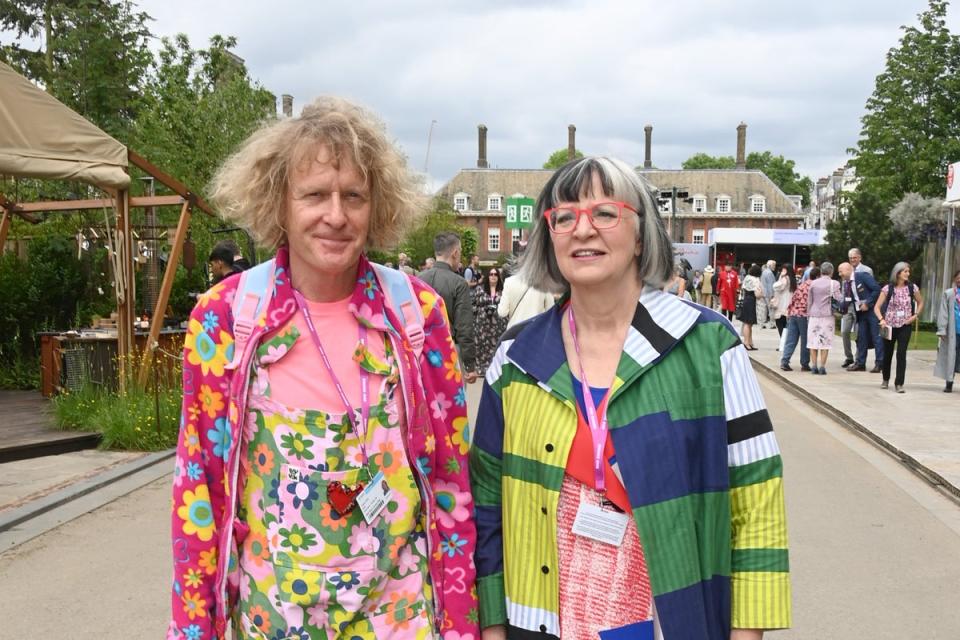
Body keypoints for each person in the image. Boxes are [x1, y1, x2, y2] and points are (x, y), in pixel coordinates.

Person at [168, 96, 479, 640]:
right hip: (275, 621)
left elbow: (450, 482)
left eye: (353, 196)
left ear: (376, 206)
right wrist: (194, 630)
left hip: (400, 620)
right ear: (279, 204)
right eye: (314, 195)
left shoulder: (417, 314)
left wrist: (461, 627)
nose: (336, 215)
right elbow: (201, 491)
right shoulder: (227, 319)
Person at [470, 156, 791, 640]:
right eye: (564, 217)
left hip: (673, 618)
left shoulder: (708, 345)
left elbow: (756, 500)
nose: (583, 230)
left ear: (641, 234)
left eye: (604, 213)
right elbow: (486, 504)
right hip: (537, 621)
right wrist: (492, 625)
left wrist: (746, 633)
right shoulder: (517, 357)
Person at [418, 232, 479, 383]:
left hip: (420, 350)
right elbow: (464, 326)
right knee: (453, 402)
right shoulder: (459, 283)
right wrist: (470, 365)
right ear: (455, 253)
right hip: (448, 350)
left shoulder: (417, 280)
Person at [874, 262, 924, 392]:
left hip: (905, 325)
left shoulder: (912, 288)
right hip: (889, 326)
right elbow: (877, 307)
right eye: (905, 271)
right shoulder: (887, 289)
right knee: (888, 353)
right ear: (898, 273)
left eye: (908, 271)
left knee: (901, 354)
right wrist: (882, 320)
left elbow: (920, 302)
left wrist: (915, 315)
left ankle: (899, 383)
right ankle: (885, 379)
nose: (908, 274)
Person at [838, 261, 883, 372]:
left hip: (872, 311)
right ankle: (860, 363)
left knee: (876, 337)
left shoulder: (862, 276)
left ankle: (879, 363)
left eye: (840, 271)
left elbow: (877, 289)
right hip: (861, 313)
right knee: (861, 338)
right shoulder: (847, 282)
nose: (840, 274)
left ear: (848, 269)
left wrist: (867, 303)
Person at [840, 248, 874, 367]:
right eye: (851, 258)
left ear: (860, 257)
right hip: (849, 306)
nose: (853, 260)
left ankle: (858, 358)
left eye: (855, 258)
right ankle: (848, 357)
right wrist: (842, 303)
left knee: (860, 334)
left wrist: (867, 304)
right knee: (844, 332)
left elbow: (870, 288)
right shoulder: (846, 269)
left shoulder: (867, 270)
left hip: (861, 306)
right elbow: (844, 288)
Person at [806, 261, 841, 374]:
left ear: (821, 271)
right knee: (825, 341)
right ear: (831, 271)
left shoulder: (813, 283)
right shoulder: (834, 283)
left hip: (814, 314)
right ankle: (822, 367)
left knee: (813, 341)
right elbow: (838, 298)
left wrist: (808, 313)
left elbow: (809, 300)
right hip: (827, 314)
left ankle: (814, 366)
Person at [780, 266, 816, 371]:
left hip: (794, 314)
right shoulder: (814, 286)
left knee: (791, 339)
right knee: (805, 340)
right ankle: (804, 364)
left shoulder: (802, 285)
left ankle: (785, 361)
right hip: (804, 316)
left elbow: (793, 299)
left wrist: (790, 311)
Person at [473, 267, 508, 372]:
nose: (493, 276)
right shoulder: (480, 289)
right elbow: (474, 305)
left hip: (498, 324)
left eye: (495, 274)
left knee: (496, 345)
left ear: (498, 277)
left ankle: (495, 368)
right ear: (487, 276)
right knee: (481, 345)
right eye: (491, 274)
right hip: (482, 323)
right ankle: (481, 368)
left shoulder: (503, 291)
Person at [935, 268, 960, 392]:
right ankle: (949, 382)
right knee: (951, 357)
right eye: (958, 276)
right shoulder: (950, 293)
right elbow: (943, 312)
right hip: (953, 332)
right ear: (955, 279)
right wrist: (942, 329)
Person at [740, 264, 761, 350]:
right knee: (748, 323)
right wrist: (761, 294)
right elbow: (757, 294)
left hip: (746, 300)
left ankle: (749, 342)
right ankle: (746, 343)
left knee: (747, 323)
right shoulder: (756, 280)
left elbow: (743, 288)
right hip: (751, 301)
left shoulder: (747, 278)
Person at [771, 262, 795, 338]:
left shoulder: (785, 279)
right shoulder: (792, 279)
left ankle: (783, 342)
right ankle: (784, 342)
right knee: (785, 324)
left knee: (780, 323)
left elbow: (776, 286)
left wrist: (781, 276)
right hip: (788, 304)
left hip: (782, 304)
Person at [759, 260, 776, 328]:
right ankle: (772, 324)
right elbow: (770, 285)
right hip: (768, 293)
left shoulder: (764, 272)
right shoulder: (769, 273)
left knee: (765, 309)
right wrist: (772, 295)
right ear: (770, 265)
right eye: (773, 265)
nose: (774, 266)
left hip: (764, 293)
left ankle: (762, 323)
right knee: (771, 309)